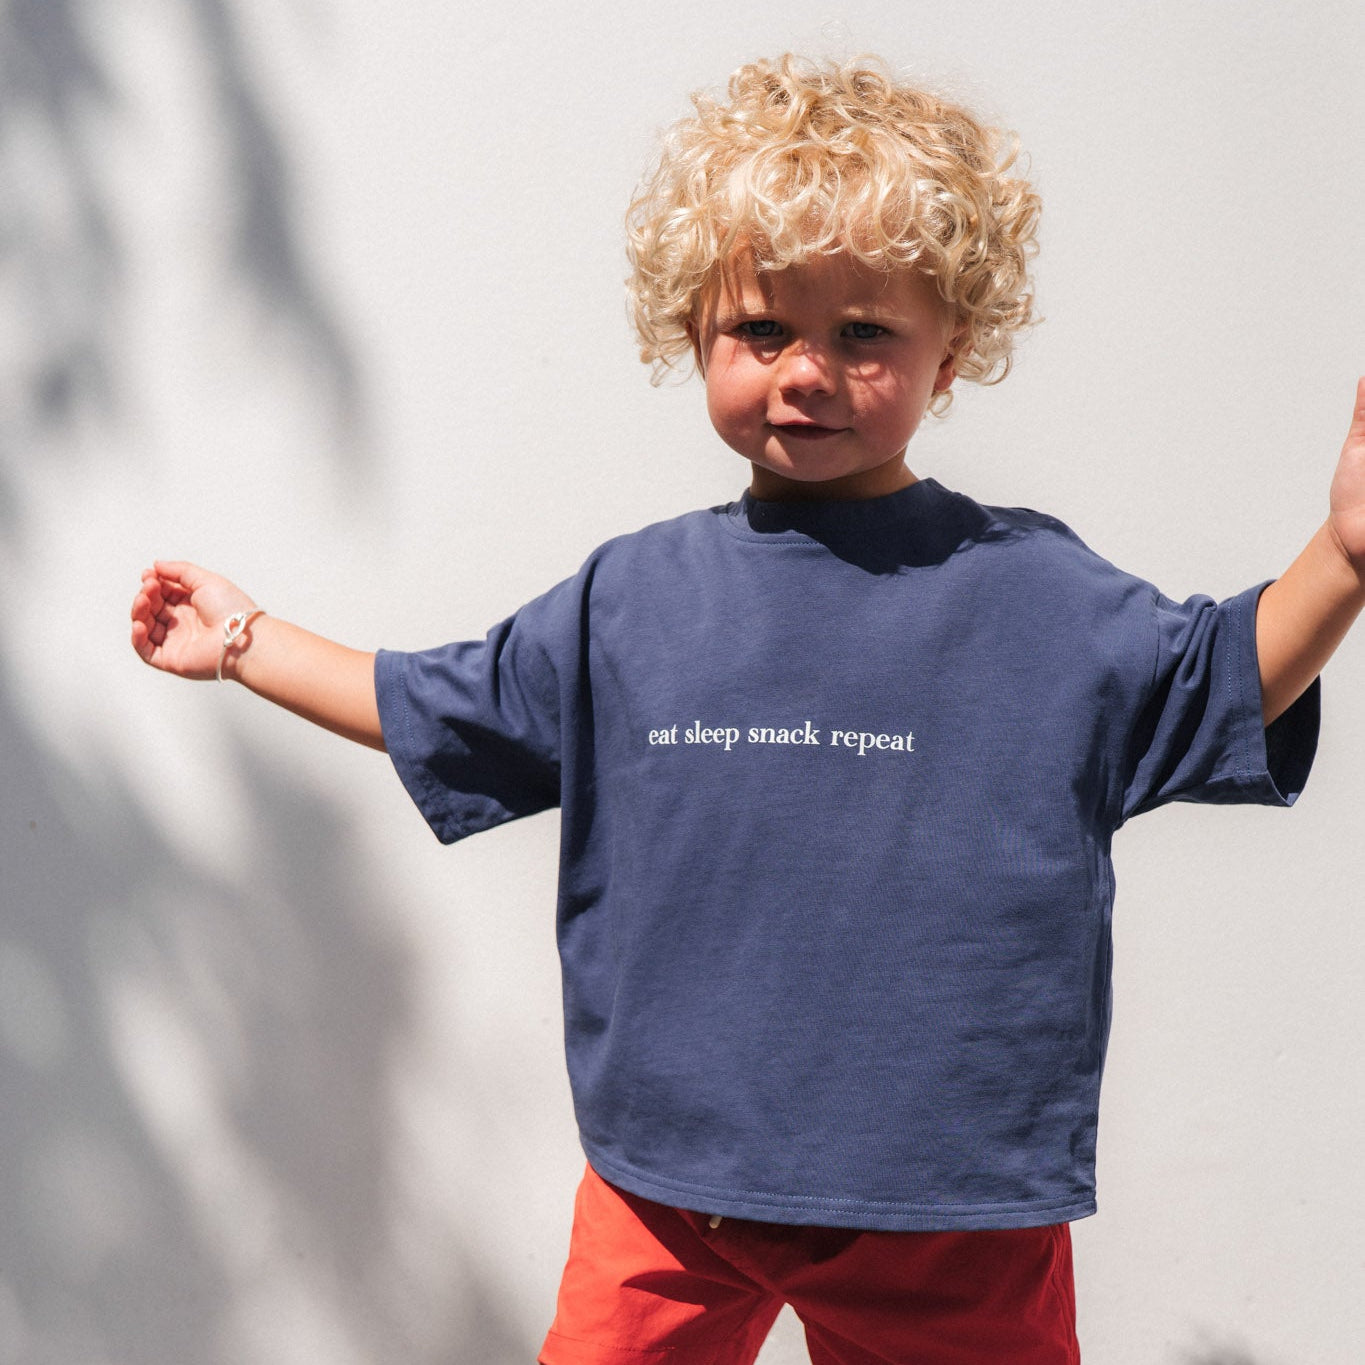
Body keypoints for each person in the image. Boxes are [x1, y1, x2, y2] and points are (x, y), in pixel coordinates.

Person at [130, 54, 1365, 1365]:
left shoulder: (1033, 596)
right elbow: (451, 699)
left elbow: (1219, 675)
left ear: (954, 349)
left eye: (862, 334)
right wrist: (243, 642)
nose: (805, 373)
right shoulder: (631, 596)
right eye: (761, 332)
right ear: (693, 335)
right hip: (670, 1182)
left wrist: (1339, 559)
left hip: (942, 1203)